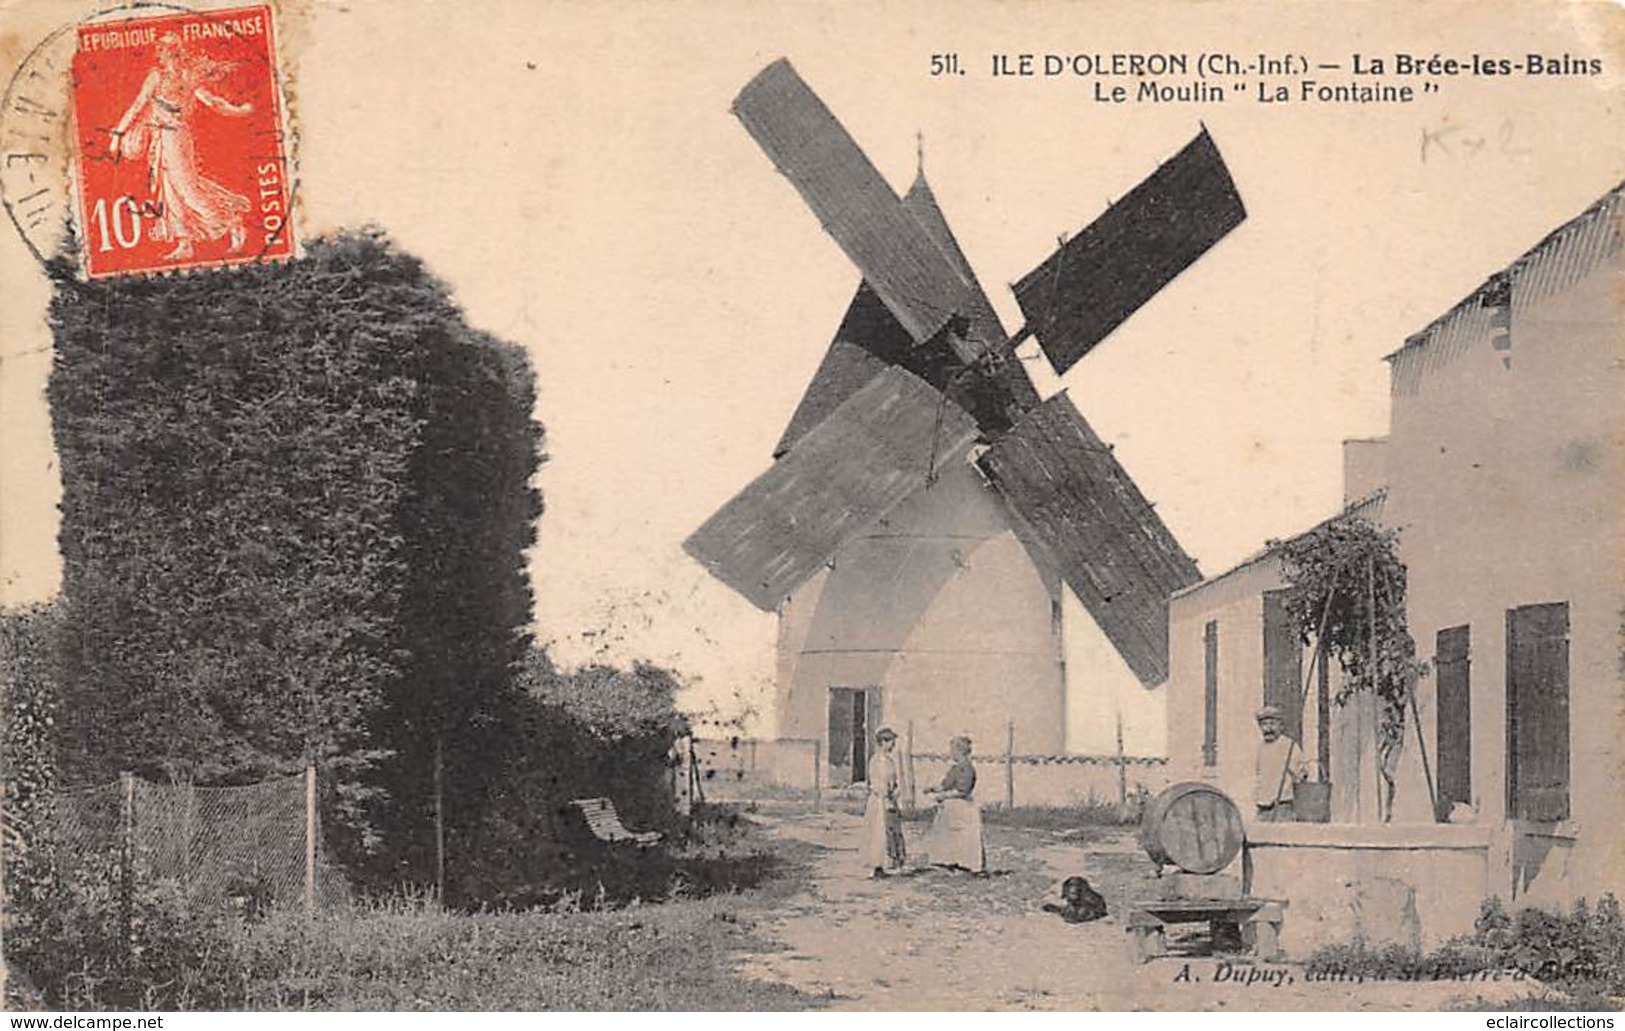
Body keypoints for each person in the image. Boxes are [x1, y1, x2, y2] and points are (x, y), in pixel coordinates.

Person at [109, 32, 254, 261]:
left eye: (172, 52)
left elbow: (212, 101)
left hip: (175, 137)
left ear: (177, 54)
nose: (169, 57)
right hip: (161, 137)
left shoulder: (185, 76)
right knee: (168, 189)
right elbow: (138, 105)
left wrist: (240, 111)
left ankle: (231, 222)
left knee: (187, 188)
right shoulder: (160, 76)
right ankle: (184, 243)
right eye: (166, 52)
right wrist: (118, 133)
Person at [923, 735, 985, 873]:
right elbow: (945, 785)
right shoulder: (955, 768)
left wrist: (942, 796)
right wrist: (933, 789)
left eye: (952, 750)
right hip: (951, 806)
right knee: (946, 832)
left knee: (962, 834)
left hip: (962, 806)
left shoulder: (966, 768)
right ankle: (948, 862)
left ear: (960, 751)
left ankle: (964, 864)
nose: (950, 753)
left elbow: (962, 791)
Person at [860, 727, 905, 877]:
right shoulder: (877, 761)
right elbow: (877, 783)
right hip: (879, 800)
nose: (893, 745)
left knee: (890, 831)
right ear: (883, 742)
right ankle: (876, 865)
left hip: (889, 799)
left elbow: (893, 781)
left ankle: (888, 863)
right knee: (878, 831)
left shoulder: (889, 760)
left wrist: (895, 791)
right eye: (891, 742)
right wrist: (887, 794)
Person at [1254, 705, 1307, 822]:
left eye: (1272, 724)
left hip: (1282, 807)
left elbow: (1301, 775)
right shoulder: (1261, 748)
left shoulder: (1289, 746)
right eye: (1264, 724)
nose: (1268, 728)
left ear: (1281, 726)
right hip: (1263, 807)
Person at [1043, 876, 1108, 923]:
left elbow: (1072, 918)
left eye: (1073, 893)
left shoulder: (1088, 906)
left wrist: (1058, 910)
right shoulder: (1074, 905)